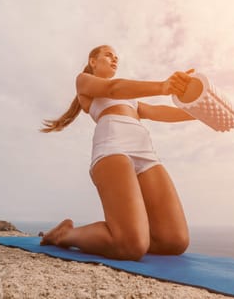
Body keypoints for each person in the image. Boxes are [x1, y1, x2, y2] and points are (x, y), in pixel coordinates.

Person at [40, 45, 196, 261]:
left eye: (116, 57)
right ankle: (65, 234)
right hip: (113, 146)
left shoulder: (130, 97)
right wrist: (164, 86)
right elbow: (113, 89)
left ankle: (131, 231)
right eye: (108, 55)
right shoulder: (84, 81)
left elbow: (156, 111)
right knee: (131, 246)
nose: (114, 60)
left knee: (174, 241)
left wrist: (198, 113)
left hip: (144, 150)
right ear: (93, 61)